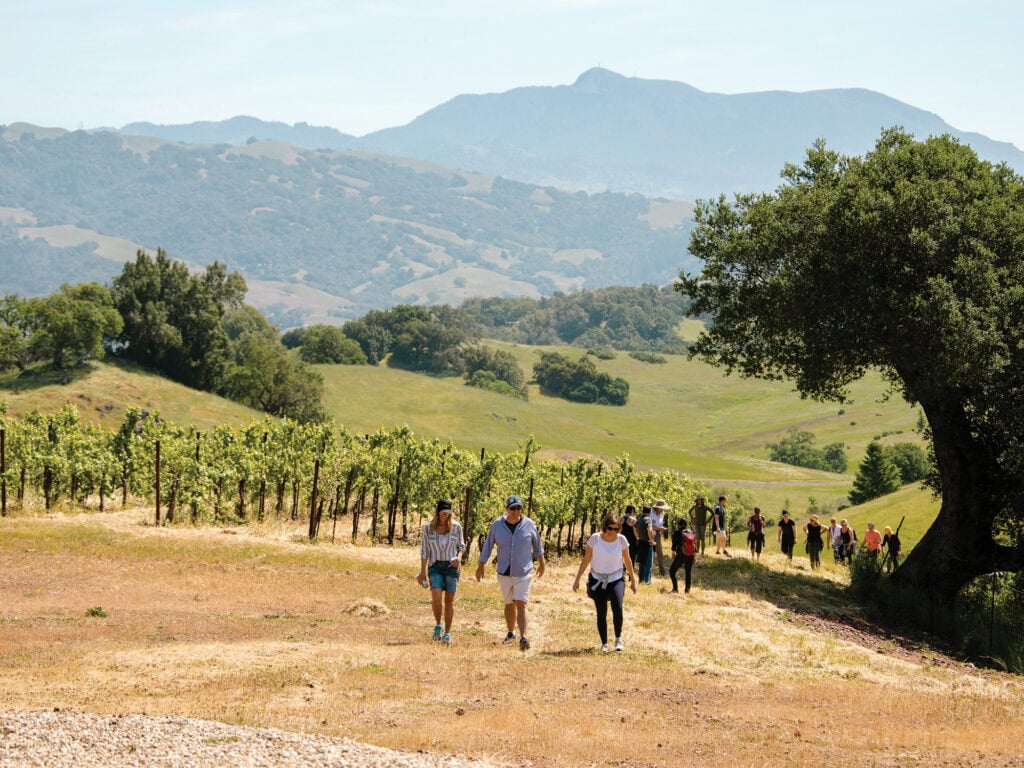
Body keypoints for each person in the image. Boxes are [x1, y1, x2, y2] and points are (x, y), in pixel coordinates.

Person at [475, 495, 546, 651]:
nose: (516, 511)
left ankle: (524, 637)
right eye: (513, 508)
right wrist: (481, 565)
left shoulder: (529, 525)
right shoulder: (497, 525)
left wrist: (542, 563)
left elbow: (538, 546)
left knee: (521, 603)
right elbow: (488, 546)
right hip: (504, 571)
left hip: (523, 571)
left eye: (519, 508)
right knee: (509, 603)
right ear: (506, 509)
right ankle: (510, 632)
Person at [573, 513, 637, 652]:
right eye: (609, 528)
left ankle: (618, 639)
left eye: (615, 529)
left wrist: (633, 579)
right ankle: (604, 643)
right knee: (601, 612)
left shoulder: (621, 540)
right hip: (597, 579)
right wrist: (577, 579)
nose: (612, 532)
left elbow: (627, 560)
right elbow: (586, 560)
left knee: (617, 606)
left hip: (616, 578)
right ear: (604, 527)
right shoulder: (595, 539)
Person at [417, 499, 466, 645]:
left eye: (447, 513)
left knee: (449, 601)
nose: (444, 515)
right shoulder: (428, 529)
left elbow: (461, 546)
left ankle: (448, 633)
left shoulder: (456, 527)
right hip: (435, 566)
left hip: (452, 567)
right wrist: (422, 572)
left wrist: (458, 559)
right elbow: (424, 551)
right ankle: (438, 624)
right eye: (442, 512)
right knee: (436, 597)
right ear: (437, 512)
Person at [669, 519, 697, 593]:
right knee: (688, 573)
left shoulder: (677, 533)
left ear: (679, 524)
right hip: (690, 555)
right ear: (686, 524)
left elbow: (674, 546)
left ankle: (675, 589)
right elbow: (694, 546)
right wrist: (694, 556)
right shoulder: (691, 532)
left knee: (672, 571)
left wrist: (673, 554)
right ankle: (687, 591)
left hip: (681, 555)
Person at [635, 506, 655, 584]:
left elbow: (634, 528)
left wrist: (638, 536)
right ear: (649, 512)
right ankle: (647, 581)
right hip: (647, 543)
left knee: (642, 562)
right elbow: (649, 529)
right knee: (648, 563)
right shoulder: (648, 519)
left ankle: (641, 580)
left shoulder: (639, 519)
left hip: (640, 542)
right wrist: (651, 540)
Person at [651, 499, 670, 576]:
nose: (662, 509)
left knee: (660, 553)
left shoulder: (662, 514)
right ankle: (650, 572)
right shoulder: (651, 514)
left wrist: (662, 529)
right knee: (651, 554)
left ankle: (662, 572)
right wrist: (660, 529)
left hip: (658, 535)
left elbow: (659, 525)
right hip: (651, 535)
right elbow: (650, 527)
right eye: (661, 508)